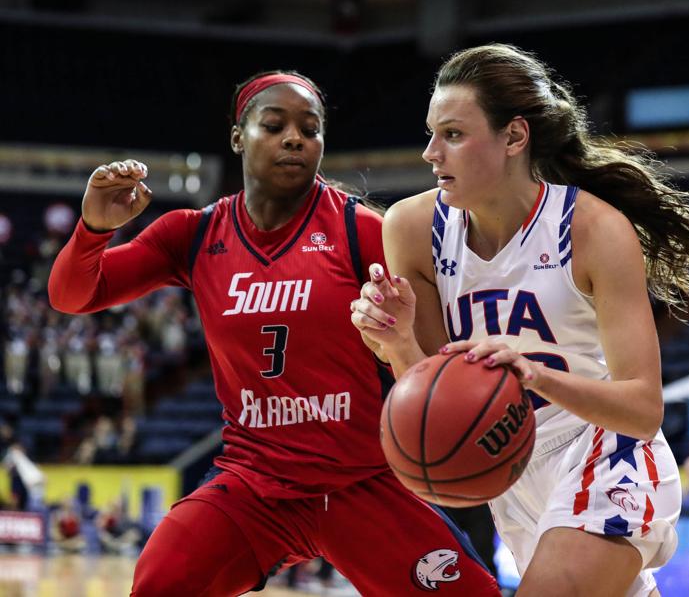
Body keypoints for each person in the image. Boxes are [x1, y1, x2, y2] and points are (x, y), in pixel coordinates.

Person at [351, 43, 689, 596]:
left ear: (514, 137)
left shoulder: (593, 228)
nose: (431, 152)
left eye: (454, 134)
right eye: (432, 133)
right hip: (513, 469)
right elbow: (443, 402)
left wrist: (535, 375)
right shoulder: (411, 228)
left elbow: (643, 409)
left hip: (606, 452)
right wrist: (397, 343)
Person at [48, 70, 499, 596]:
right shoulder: (194, 235)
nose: (295, 138)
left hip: (361, 480)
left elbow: (432, 357)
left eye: (310, 129)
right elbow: (73, 295)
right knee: (159, 582)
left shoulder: (363, 232)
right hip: (252, 486)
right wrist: (93, 231)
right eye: (275, 124)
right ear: (239, 136)